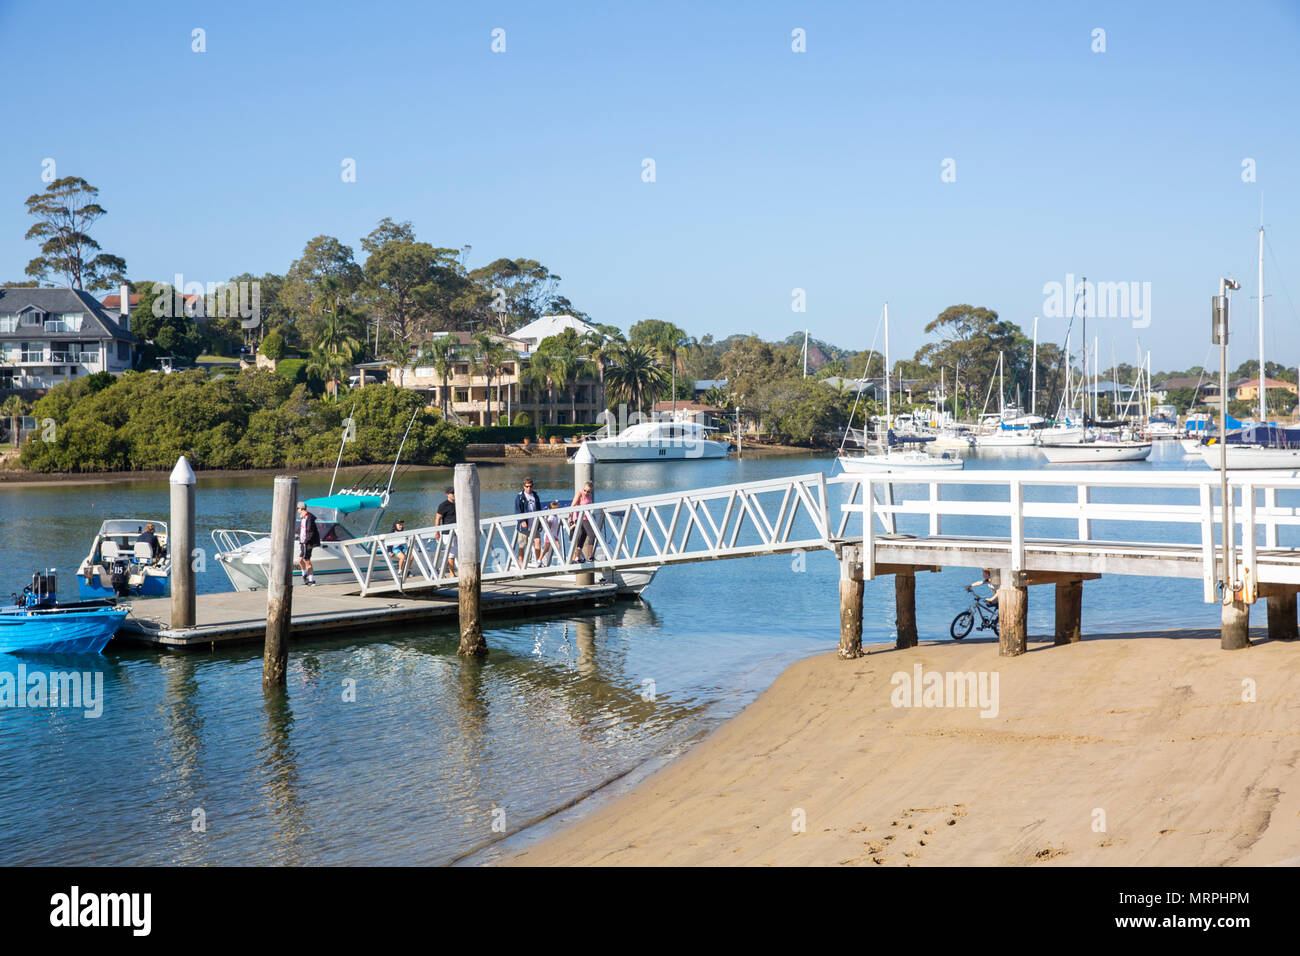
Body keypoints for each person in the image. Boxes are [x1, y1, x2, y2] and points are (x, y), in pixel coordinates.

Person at [514, 477, 542, 565]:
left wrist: (540, 523)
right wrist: (522, 520)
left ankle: (538, 561)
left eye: (530, 486)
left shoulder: (535, 496)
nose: (529, 488)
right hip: (524, 526)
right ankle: (521, 563)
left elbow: (539, 510)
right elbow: (517, 511)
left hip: (535, 524)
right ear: (524, 486)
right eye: (527, 486)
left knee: (538, 542)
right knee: (522, 545)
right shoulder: (520, 497)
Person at [569, 480, 596, 564]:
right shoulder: (579, 494)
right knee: (591, 534)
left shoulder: (590, 495)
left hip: (586, 518)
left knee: (582, 536)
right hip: (579, 518)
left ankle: (577, 556)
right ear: (583, 488)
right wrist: (570, 517)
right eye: (585, 490)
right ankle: (589, 556)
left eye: (588, 491)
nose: (586, 492)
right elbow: (572, 506)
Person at [434, 487, 457, 575]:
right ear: (447, 494)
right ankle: (452, 573)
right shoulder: (443, 505)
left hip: (457, 532)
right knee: (451, 554)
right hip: (447, 533)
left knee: (454, 553)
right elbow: (437, 518)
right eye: (452, 493)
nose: (454, 494)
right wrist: (437, 532)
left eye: (455, 492)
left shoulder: (458, 503)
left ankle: (442, 569)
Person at [297, 501, 320, 586]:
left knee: (307, 561)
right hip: (303, 542)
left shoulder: (309, 518)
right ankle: (304, 576)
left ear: (301, 509)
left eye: (298, 508)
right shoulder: (303, 517)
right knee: (300, 560)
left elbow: (310, 531)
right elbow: (301, 530)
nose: (297, 510)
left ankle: (311, 580)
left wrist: (306, 542)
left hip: (308, 543)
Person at [540, 500, 563, 566]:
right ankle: (540, 559)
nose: (556, 511)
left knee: (558, 546)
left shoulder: (556, 516)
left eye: (557, 509)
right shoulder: (551, 518)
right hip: (549, 535)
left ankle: (559, 561)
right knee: (547, 549)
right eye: (554, 509)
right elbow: (548, 529)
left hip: (554, 535)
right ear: (550, 510)